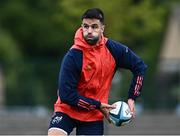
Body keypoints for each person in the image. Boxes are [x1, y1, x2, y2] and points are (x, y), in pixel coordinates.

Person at [48, 8, 147, 136]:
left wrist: (132, 98)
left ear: (102, 29)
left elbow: (140, 66)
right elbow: (66, 95)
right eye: (86, 26)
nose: (89, 31)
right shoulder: (73, 55)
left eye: (94, 27)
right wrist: (98, 105)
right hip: (67, 110)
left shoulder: (114, 50)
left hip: (93, 117)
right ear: (81, 27)